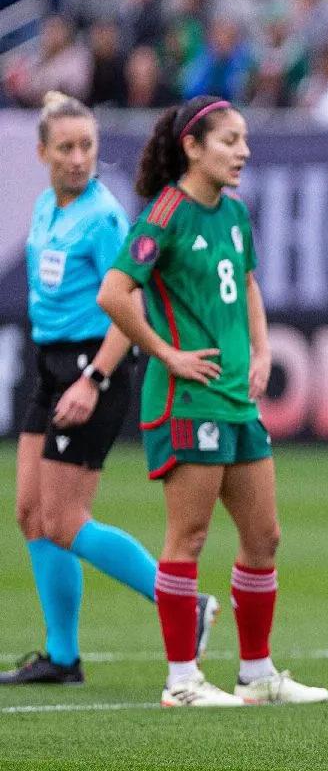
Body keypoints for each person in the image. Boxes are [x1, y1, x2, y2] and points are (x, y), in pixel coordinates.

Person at [97, 95, 328, 707]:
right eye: (229, 140)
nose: (243, 152)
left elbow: (247, 282)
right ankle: (182, 681)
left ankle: (256, 673)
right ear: (192, 148)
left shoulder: (232, 213)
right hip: (186, 397)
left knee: (265, 536)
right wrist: (165, 354)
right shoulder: (165, 212)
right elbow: (115, 293)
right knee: (190, 537)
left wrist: (262, 351)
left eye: (245, 140)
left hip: (235, 400)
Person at [2, 92, 216, 687]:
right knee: (30, 514)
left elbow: (131, 303)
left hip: (89, 368)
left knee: (65, 518)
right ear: (42, 152)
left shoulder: (102, 216)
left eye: (88, 146)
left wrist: (94, 379)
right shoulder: (48, 204)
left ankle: (184, 606)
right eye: (66, 147)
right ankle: (62, 657)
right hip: (50, 367)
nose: (78, 158)